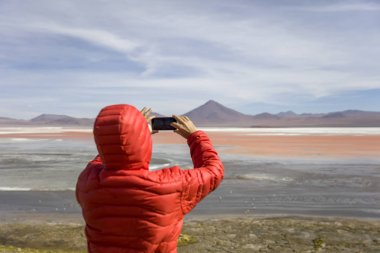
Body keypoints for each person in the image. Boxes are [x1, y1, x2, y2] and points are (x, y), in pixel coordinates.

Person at [76, 104, 224, 253]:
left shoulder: (87, 181)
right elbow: (214, 171)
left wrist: (131, 133)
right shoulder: (170, 185)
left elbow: (107, 156)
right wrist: (196, 136)